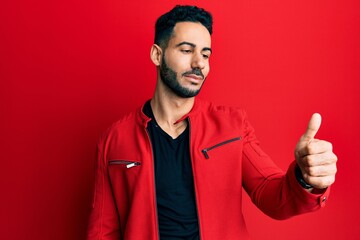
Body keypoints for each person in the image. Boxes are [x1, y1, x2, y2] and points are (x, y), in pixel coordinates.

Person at [87, 5, 338, 240]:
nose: (199, 63)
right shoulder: (114, 139)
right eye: (186, 50)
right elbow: (102, 230)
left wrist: (304, 178)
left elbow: (271, 194)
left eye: (205, 54)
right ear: (157, 55)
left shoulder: (233, 125)